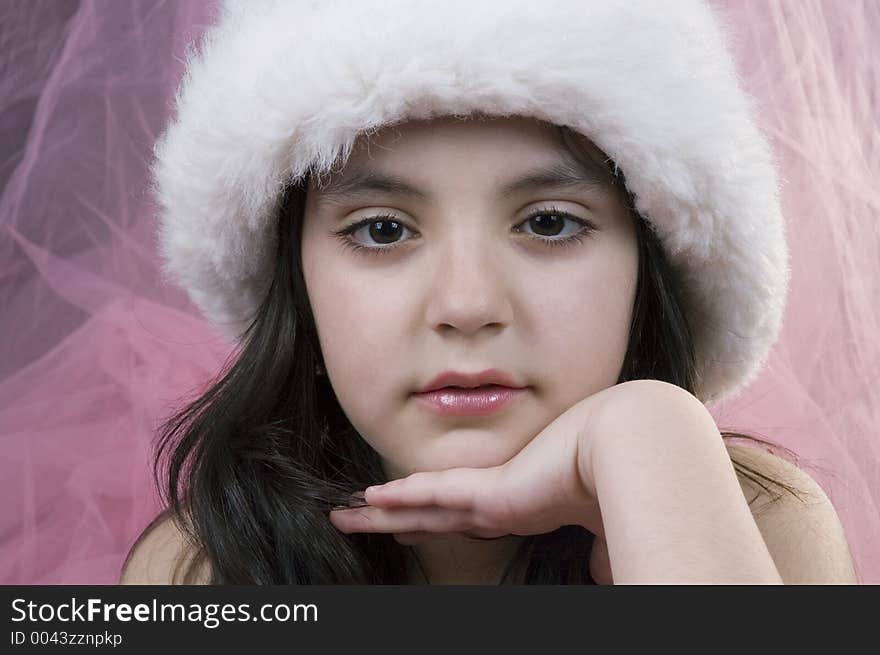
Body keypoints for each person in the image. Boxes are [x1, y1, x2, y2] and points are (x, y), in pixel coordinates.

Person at [119, 0, 858, 584]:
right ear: (298, 291)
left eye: (548, 222)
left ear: (649, 269)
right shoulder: (198, 573)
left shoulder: (757, 527)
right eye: (382, 231)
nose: (468, 306)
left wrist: (649, 433)